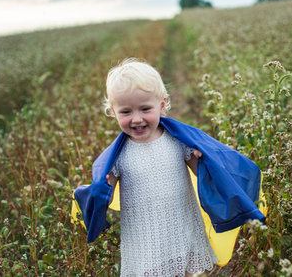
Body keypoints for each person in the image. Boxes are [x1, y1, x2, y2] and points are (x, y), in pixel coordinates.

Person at [73, 58, 266, 277]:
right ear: (113, 112)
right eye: (126, 112)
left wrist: (204, 161)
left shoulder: (177, 141)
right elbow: (106, 195)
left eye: (145, 109)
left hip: (181, 224)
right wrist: (101, 190)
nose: (136, 119)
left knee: (184, 271)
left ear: (162, 105)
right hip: (144, 236)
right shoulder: (118, 156)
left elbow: (203, 173)